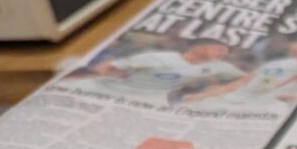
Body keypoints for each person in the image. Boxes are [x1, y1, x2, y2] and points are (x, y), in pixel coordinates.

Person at [77, 43, 246, 104]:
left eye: (225, 53)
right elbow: (110, 66)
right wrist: (100, 74)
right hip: (120, 93)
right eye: (219, 49)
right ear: (199, 46)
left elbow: (247, 77)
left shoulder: (219, 66)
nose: (223, 54)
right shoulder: (157, 57)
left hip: (155, 100)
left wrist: (209, 93)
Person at [212, 39, 297, 106]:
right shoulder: (277, 64)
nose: (293, 47)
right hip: (239, 99)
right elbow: (246, 80)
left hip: (270, 105)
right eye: (293, 46)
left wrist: (295, 97)